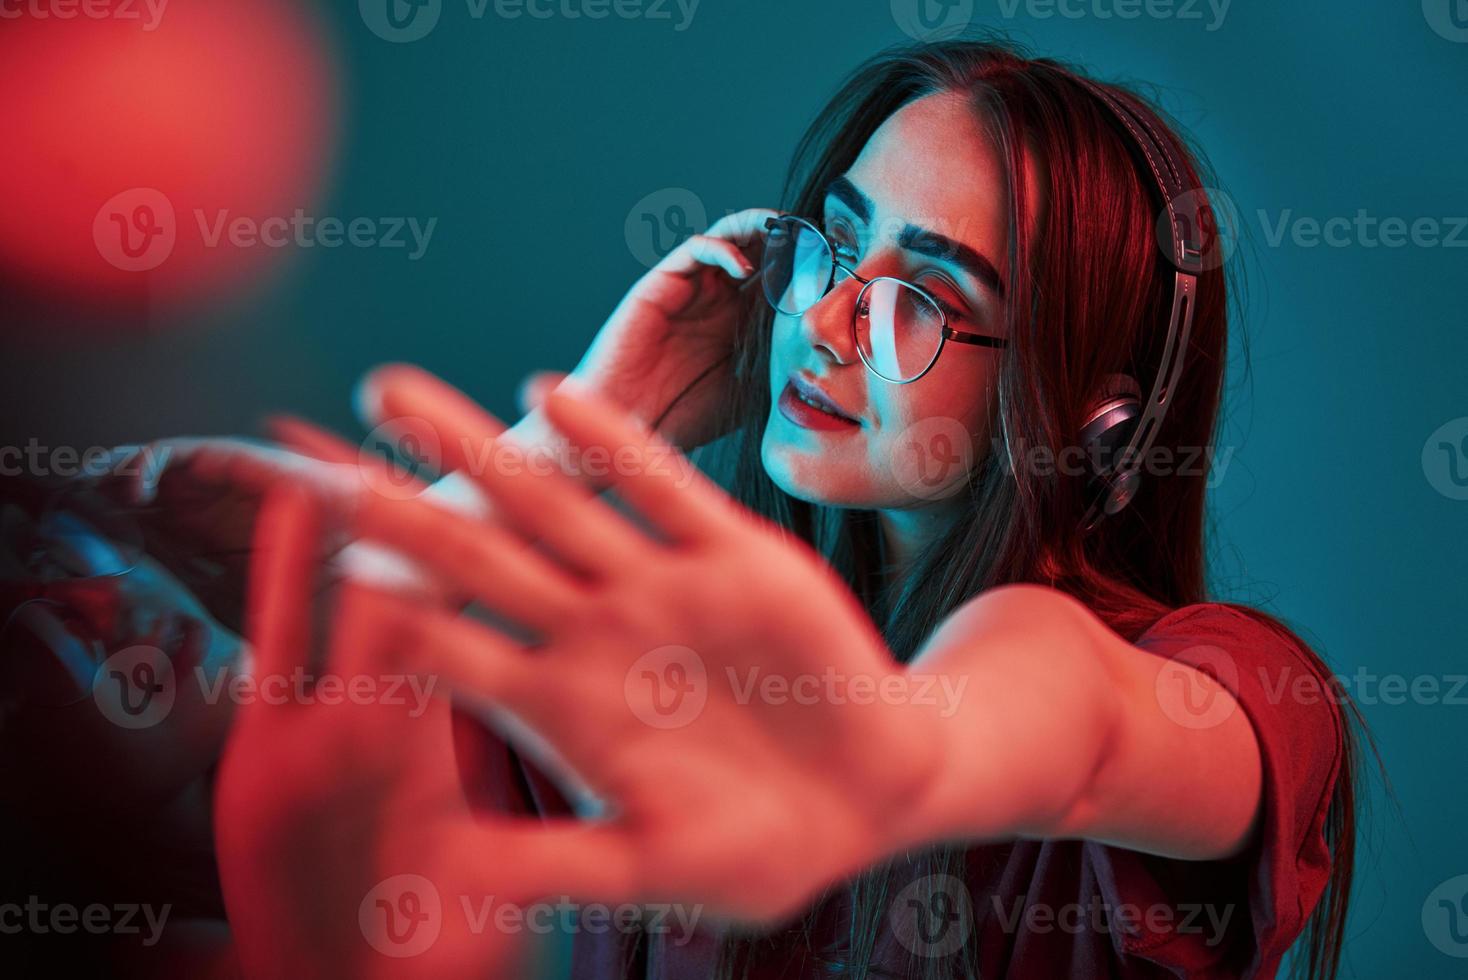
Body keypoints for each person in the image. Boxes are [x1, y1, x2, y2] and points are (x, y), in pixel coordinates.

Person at [116, 36, 1364, 980]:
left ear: (1091, 409)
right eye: (831, 246)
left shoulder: (1224, 681)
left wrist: (905, 748)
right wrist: (595, 424)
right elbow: (330, 726)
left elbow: (1074, 709)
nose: (822, 321)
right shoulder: (676, 677)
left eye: (922, 294)